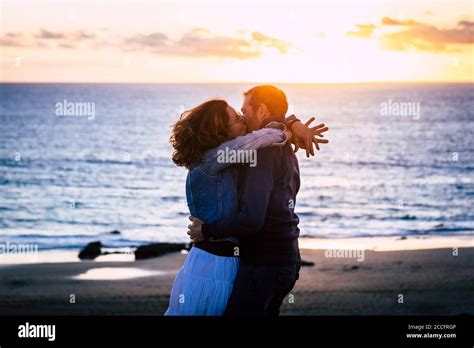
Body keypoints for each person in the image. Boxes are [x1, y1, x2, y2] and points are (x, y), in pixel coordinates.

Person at [188, 86, 322, 316]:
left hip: (265, 263)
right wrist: (291, 125)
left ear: (261, 109)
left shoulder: (263, 152)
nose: (243, 117)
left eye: (244, 111)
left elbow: (252, 219)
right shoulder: (283, 148)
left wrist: (207, 230)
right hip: (285, 258)